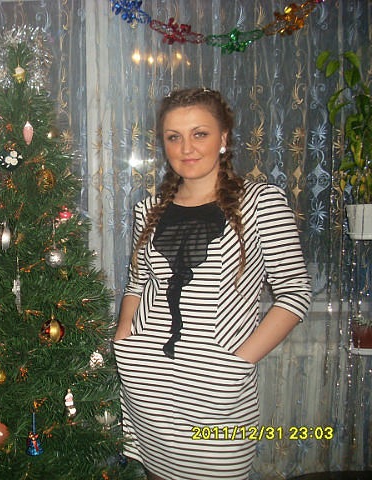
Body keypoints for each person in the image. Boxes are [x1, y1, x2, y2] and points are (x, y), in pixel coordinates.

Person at [113, 87, 312, 480]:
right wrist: (124, 340)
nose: (186, 148)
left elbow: (295, 293)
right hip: (146, 388)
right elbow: (136, 284)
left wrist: (238, 363)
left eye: (199, 134)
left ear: (223, 138)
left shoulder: (261, 203)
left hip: (217, 393)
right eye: (174, 137)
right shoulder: (148, 210)